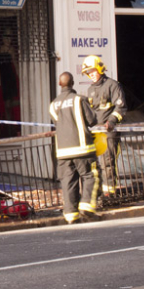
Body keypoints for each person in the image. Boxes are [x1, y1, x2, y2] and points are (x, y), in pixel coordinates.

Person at [50, 71, 100, 224]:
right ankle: (87, 206)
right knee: (91, 176)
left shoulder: (53, 105)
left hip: (63, 151)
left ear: (60, 84)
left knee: (68, 182)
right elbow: (92, 120)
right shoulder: (79, 100)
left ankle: (71, 215)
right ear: (72, 83)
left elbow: (59, 123)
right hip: (82, 147)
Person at [81, 55, 127, 204]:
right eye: (88, 72)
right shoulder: (90, 90)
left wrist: (112, 121)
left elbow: (121, 107)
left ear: (100, 68)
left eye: (93, 70)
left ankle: (110, 194)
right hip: (95, 133)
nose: (91, 74)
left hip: (109, 132)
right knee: (95, 163)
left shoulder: (112, 85)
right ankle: (98, 191)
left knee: (108, 161)